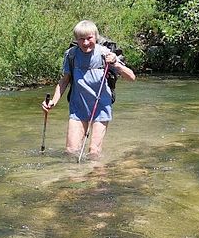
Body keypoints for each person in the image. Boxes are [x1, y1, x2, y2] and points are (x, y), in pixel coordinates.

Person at [42, 20, 136, 159]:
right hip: (78, 107)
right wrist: (53, 103)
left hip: (101, 107)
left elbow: (131, 77)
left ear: (95, 37)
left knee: (94, 152)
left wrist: (116, 64)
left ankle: (96, 178)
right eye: (81, 39)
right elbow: (64, 81)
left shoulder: (105, 54)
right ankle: (75, 178)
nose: (85, 43)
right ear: (76, 40)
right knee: (70, 151)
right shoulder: (71, 55)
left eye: (89, 38)